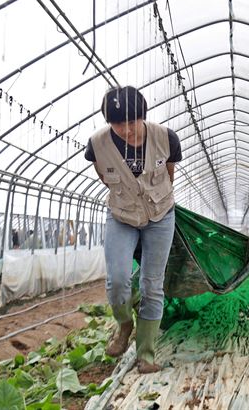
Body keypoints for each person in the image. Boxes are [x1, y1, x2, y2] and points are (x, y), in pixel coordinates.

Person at [85, 86, 182, 373]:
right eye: (118, 123)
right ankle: (125, 326)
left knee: (152, 285)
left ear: (143, 116)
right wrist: (130, 199)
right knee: (117, 280)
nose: (126, 130)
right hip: (121, 216)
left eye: (132, 122)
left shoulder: (167, 139)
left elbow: (169, 176)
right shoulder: (97, 145)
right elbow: (105, 176)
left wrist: (152, 201)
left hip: (160, 215)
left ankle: (146, 355)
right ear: (108, 122)